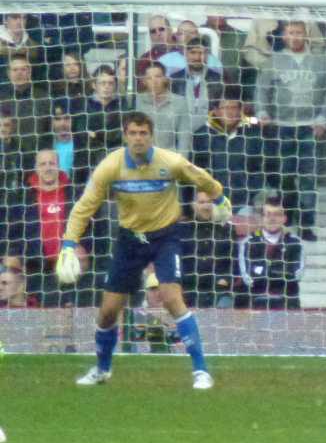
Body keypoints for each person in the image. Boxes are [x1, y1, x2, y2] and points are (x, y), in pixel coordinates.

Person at [54, 112, 232, 389]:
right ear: (126, 136)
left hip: (166, 236)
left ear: (151, 136)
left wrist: (220, 197)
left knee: (172, 298)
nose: (138, 138)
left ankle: (201, 370)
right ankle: (102, 369)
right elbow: (85, 206)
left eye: (143, 133)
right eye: (133, 133)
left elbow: (201, 178)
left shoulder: (169, 161)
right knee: (108, 311)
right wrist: (68, 243)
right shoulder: (110, 166)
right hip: (130, 240)